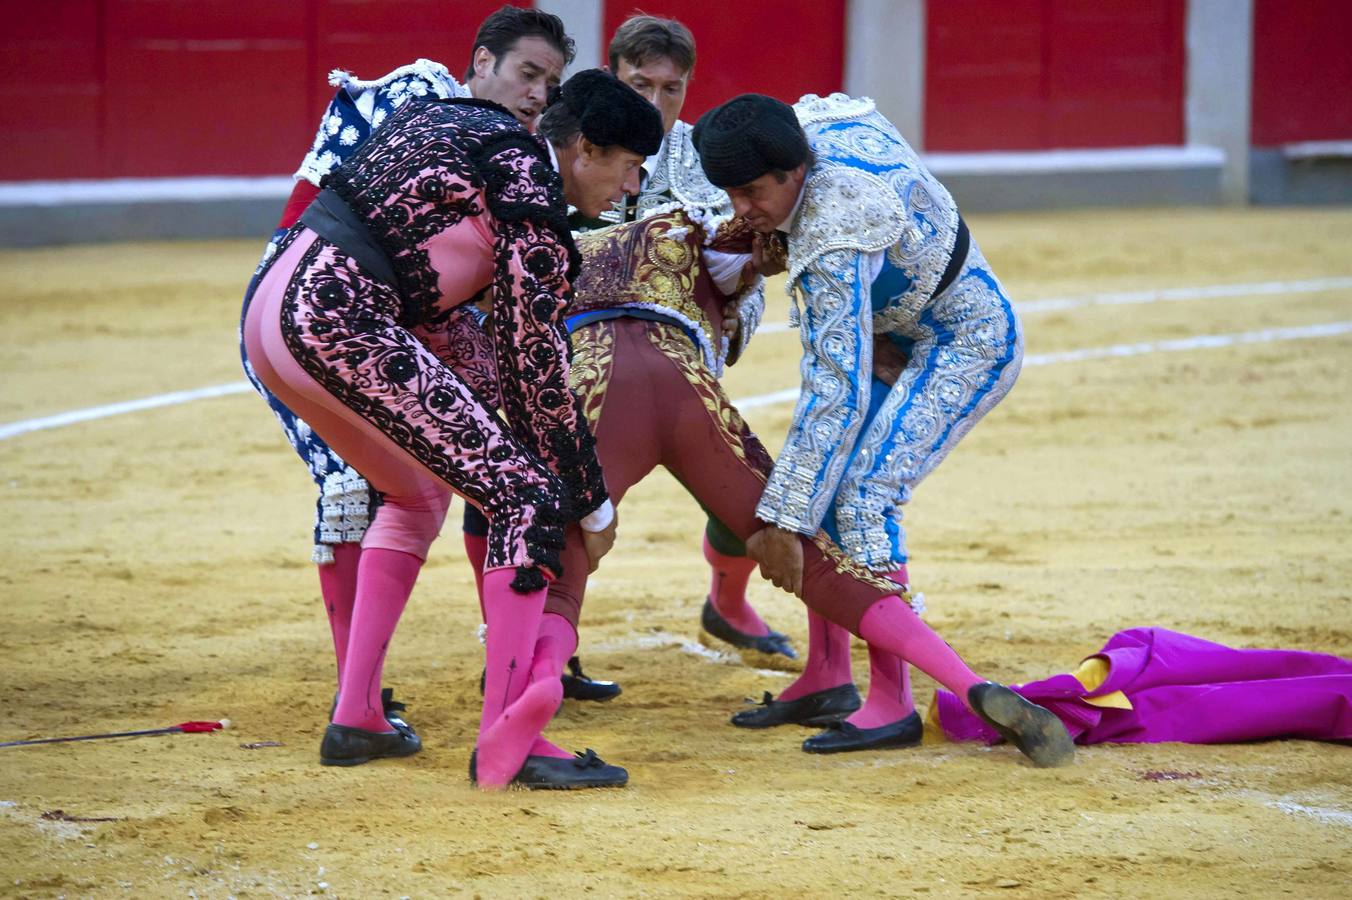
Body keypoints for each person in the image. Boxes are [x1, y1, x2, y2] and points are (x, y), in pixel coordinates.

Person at [241, 69, 664, 788]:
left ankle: (359, 716)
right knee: (524, 498)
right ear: (586, 149)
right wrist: (589, 497)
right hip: (340, 315)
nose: (628, 189)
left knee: (415, 495)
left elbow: (471, 338)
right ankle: (511, 742)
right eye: (629, 169)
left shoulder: (473, 129)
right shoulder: (531, 187)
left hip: (274, 309)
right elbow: (536, 365)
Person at [691, 92, 1075, 765]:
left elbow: (832, 392)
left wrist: (783, 521)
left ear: (793, 171)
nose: (739, 208)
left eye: (751, 191)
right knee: (823, 477)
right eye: (730, 192)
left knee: (861, 495)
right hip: (898, 330)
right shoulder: (812, 129)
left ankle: (892, 701)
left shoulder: (833, 232)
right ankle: (827, 675)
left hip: (967, 338)